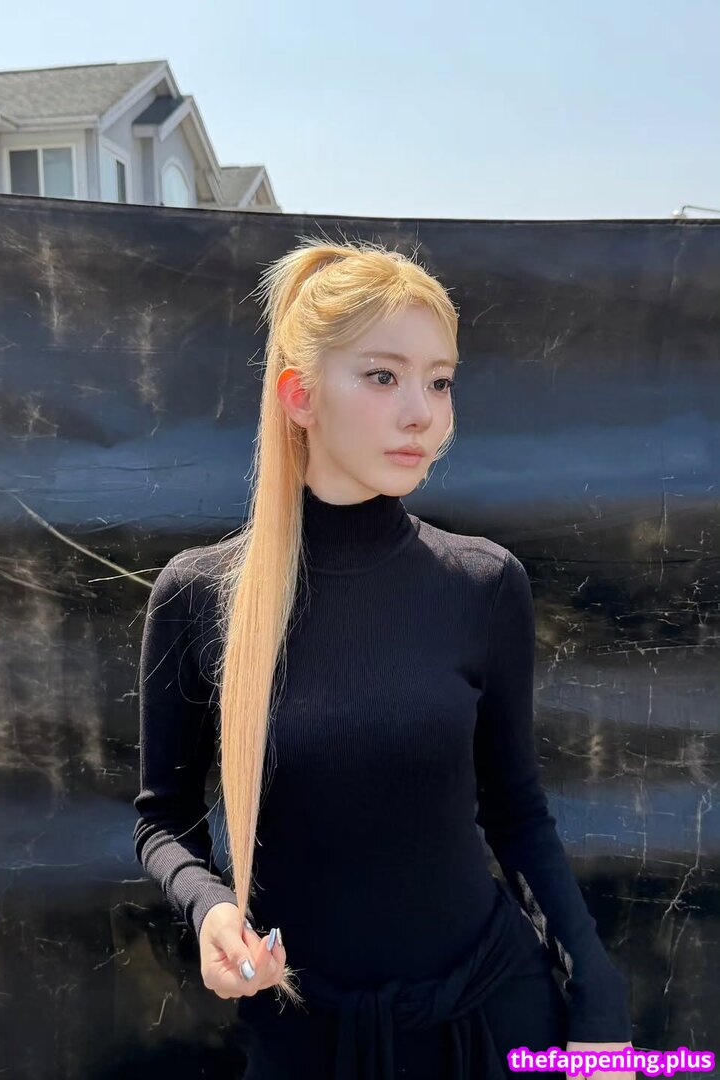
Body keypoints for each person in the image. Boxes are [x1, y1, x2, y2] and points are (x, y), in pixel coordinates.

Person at [133, 236, 635, 1079]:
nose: (422, 414)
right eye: (382, 376)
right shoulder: (201, 595)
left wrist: (599, 1002)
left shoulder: (482, 583)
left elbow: (516, 813)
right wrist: (210, 906)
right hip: (303, 1034)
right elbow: (163, 820)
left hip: (489, 1019)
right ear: (300, 395)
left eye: (439, 381)